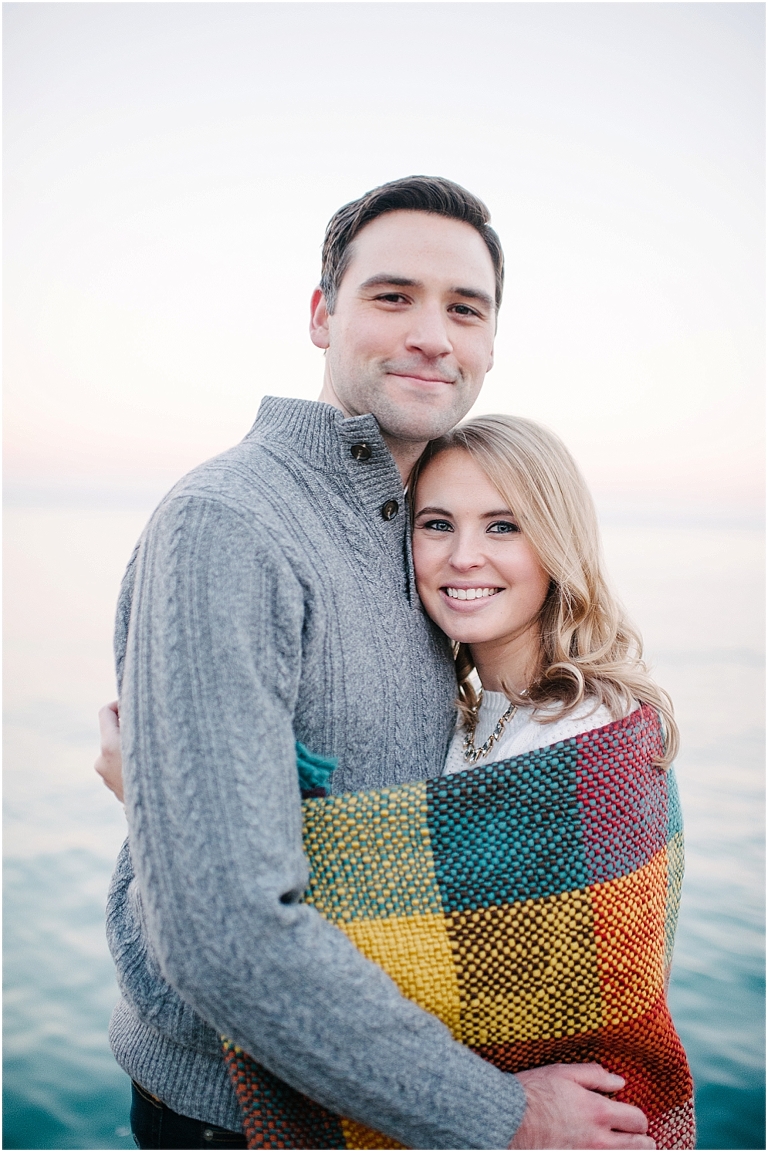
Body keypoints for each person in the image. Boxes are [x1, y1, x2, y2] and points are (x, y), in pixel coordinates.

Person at [97, 175, 655, 1150]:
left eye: (464, 308)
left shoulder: (419, 539)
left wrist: (158, 795)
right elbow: (226, 936)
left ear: (489, 343)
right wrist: (504, 1116)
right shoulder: (230, 523)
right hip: (241, 1117)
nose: (433, 334)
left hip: (390, 1103)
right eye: (392, 297)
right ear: (322, 316)